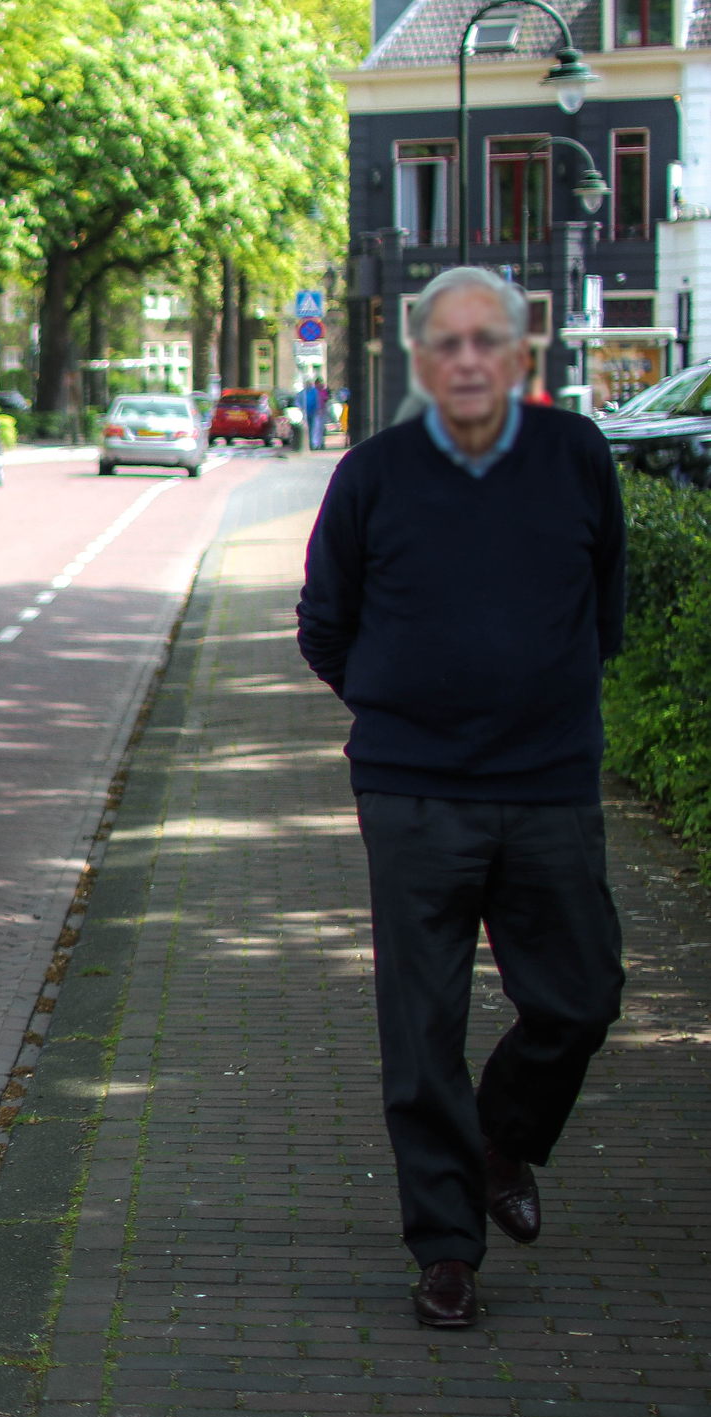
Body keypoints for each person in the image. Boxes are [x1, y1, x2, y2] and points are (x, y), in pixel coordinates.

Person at [296, 265, 627, 1330]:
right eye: (447, 341)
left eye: (489, 338)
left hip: (547, 785)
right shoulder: (372, 474)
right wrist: (402, 710)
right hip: (412, 794)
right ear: (420, 358)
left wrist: (533, 699)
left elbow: (602, 611)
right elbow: (324, 624)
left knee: (579, 995)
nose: (468, 357)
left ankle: (499, 1139)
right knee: (420, 1023)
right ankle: (444, 1247)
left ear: (521, 353)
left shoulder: (576, 458)